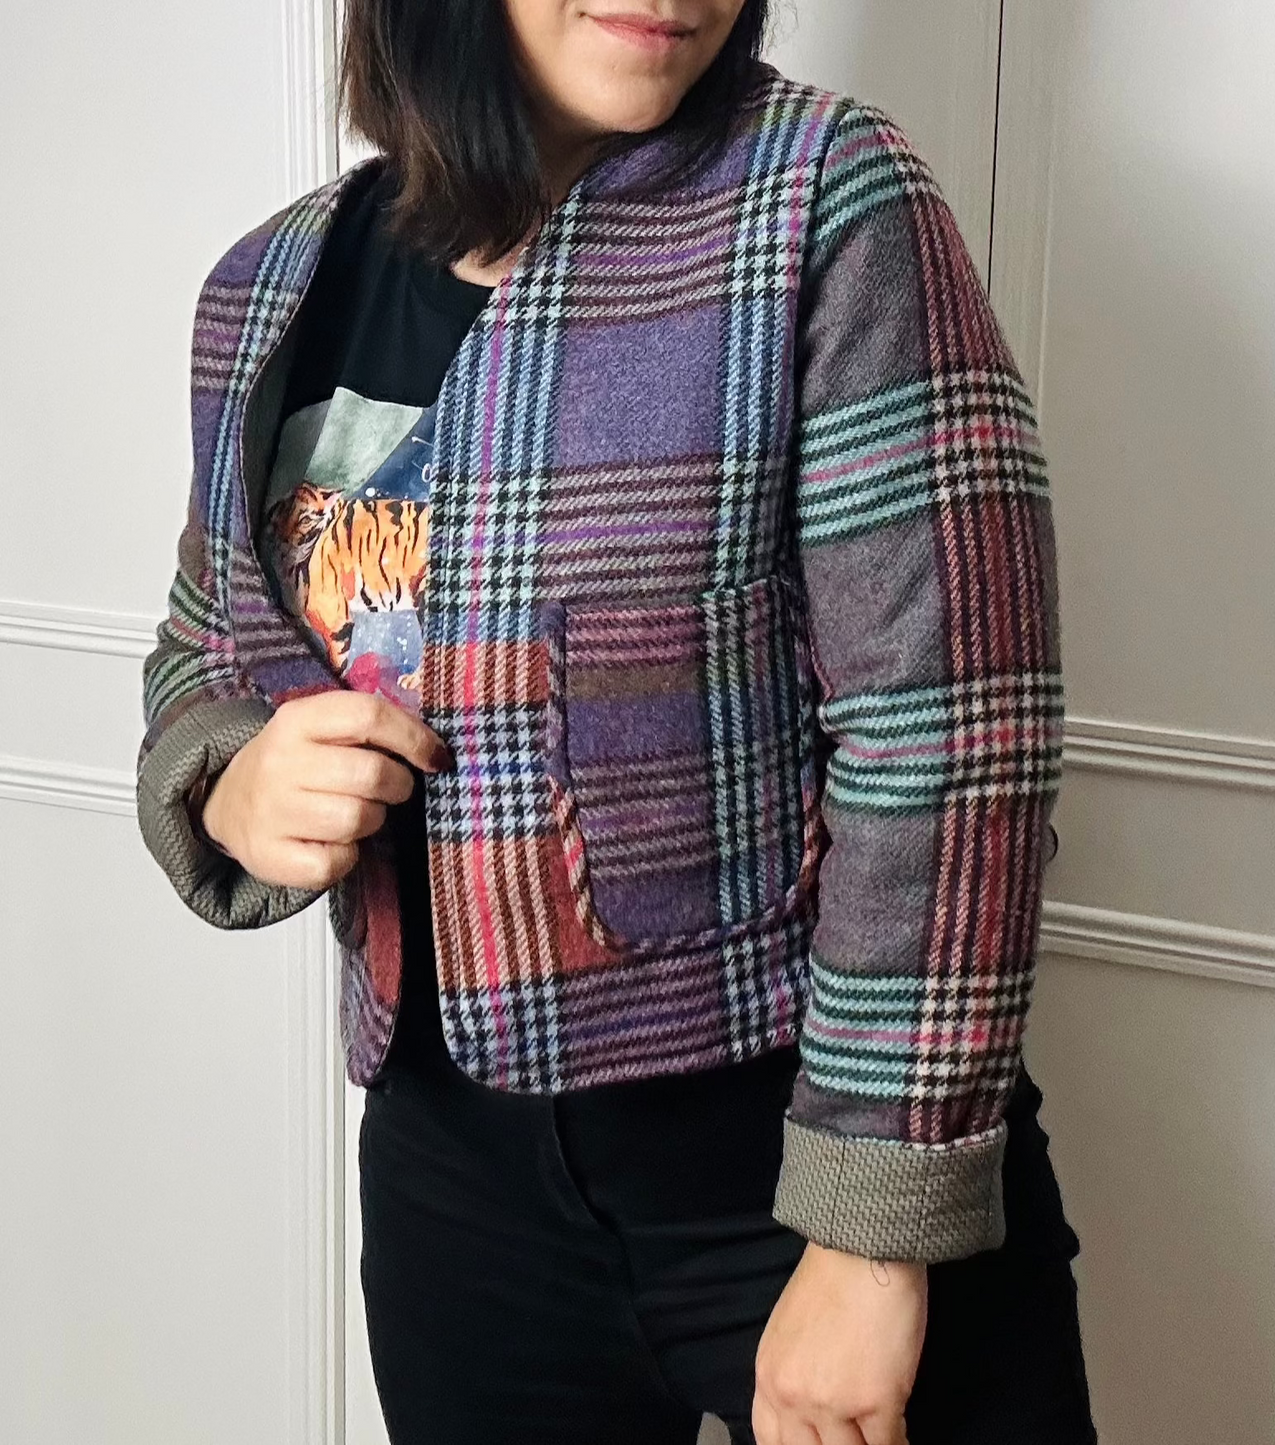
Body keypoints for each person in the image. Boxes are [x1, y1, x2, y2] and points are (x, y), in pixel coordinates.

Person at [135, 3, 1095, 1442]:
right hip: (451, 1181)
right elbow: (202, 644)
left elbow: (952, 738)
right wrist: (225, 778)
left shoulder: (821, 197)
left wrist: (871, 1239)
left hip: (795, 1154)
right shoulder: (270, 284)